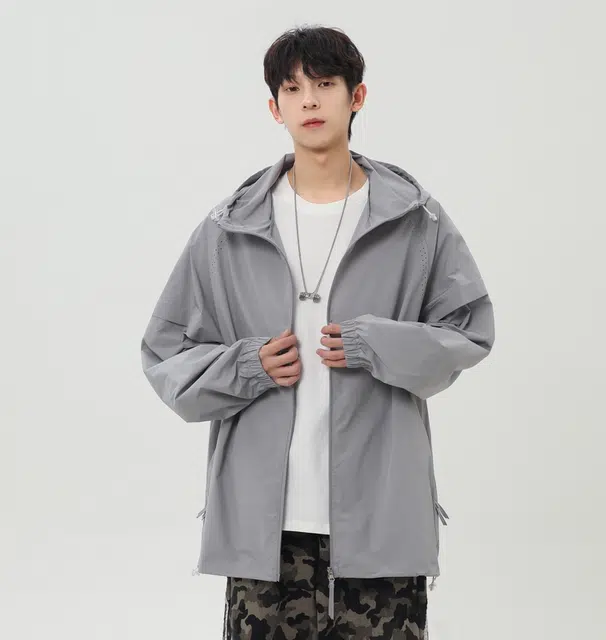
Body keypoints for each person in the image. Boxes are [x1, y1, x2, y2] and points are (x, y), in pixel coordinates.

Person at [140, 24, 495, 640]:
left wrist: (377, 344)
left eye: (325, 84)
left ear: (357, 96)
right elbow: (165, 355)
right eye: (292, 88)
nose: (309, 100)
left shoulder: (417, 221)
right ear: (274, 108)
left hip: (382, 525)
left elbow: (469, 332)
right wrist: (246, 366)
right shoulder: (228, 229)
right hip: (265, 532)